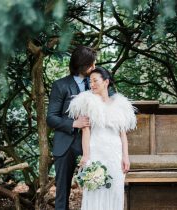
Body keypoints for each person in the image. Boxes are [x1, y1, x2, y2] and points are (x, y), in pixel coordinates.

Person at [67, 66, 137, 210]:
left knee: (115, 191)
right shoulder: (87, 102)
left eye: (95, 81)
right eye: (90, 81)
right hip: (96, 152)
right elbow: (86, 131)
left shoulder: (120, 105)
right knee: (95, 191)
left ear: (106, 82)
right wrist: (86, 156)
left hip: (115, 153)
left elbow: (122, 134)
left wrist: (125, 157)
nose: (91, 84)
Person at [46, 45, 96, 210]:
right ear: (82, 65)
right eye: (91, 64)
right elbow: (51, 118)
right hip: (65, 144)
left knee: (96, 185)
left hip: (92, 143)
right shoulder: (60, 85)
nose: (94, 68)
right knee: (62, 192)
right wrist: (74, 123)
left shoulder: (96, 83)